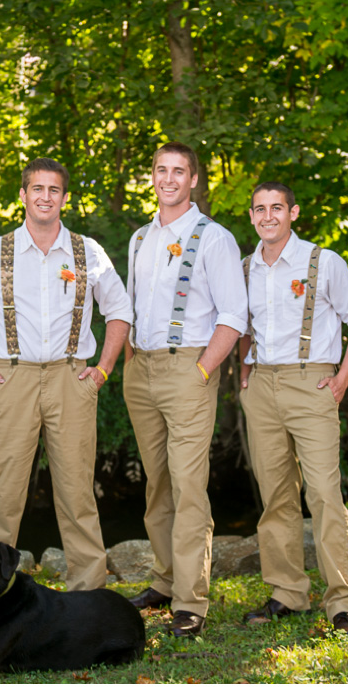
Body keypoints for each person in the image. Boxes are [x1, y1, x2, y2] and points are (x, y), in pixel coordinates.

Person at [0, 157, 132, 592]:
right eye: (37, 189)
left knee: (77, 491)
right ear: (23, 195)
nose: (45, 196)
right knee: (2, 492)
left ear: (65, 198)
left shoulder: (89, 252)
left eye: (54, 190)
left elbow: (120, 310)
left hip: (72, 379)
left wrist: (103, 369)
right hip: (12, 380)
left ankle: (89, 590)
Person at [120, 142, 247, 637]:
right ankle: (165, 579)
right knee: (158, 483)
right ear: (151, 176)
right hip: (142, 371)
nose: (168, 178)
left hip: (189, 368)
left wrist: (201, 372)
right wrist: (132, 363)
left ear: (193, 180)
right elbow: (129, 308)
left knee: (189, 486)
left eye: (178, 171)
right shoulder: (138, 239)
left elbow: (234, 316)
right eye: (160, 170)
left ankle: (191, 601)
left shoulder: (214, 238)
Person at [238, 181, 348, 636]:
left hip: (312, 382)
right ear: (253, 216)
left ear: (293, 213)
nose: (268, 216)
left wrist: (340, 380)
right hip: (262, 386)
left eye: (276, 207)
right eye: (260, 209)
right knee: (275, 495)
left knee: (323, 495)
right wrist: (244, 374)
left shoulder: (323, 261)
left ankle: (342, 602)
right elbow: (240, 326)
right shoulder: (245, 268)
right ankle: (287, 592)